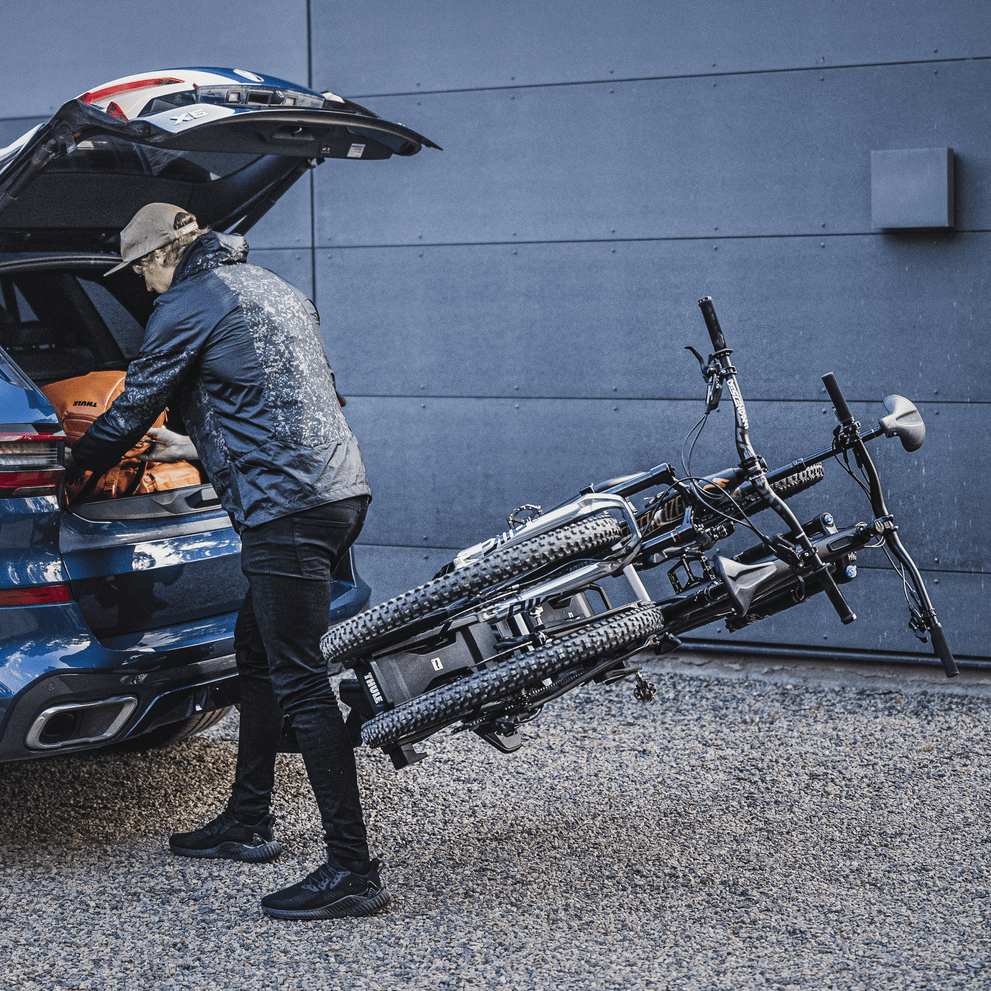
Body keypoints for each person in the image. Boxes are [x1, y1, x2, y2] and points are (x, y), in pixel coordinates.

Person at [69, 202, 387, 921]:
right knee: (258, 651)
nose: (145, 290)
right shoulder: (271, 286)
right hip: (336, 492)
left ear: (161, 258)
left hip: (286, 510)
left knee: (301, 677)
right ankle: (248, 820)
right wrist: (202, 450)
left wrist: (72, 475)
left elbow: (128, 412)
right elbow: (287, 396)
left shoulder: (189, 299)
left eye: (141, 273)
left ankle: (352, 869)